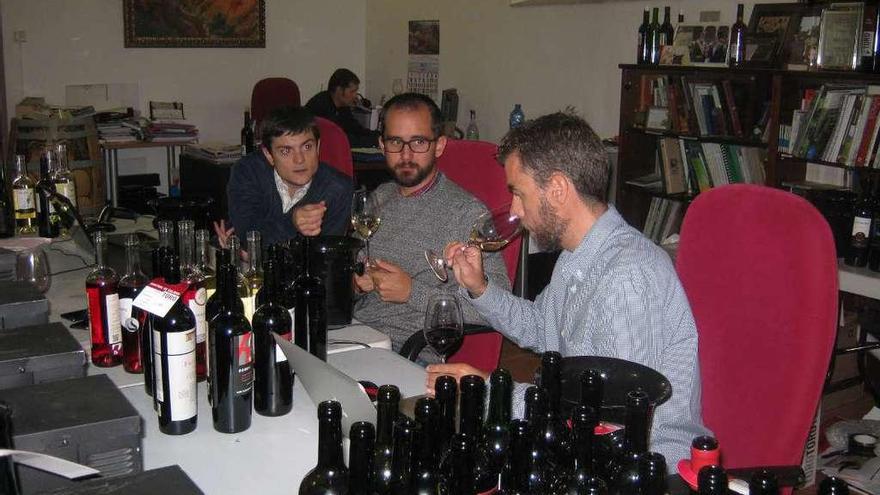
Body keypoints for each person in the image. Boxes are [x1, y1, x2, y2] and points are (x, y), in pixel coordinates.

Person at [427, 112, 709, 468]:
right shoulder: (577, 255)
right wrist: (480, 287)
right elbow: (541, 326)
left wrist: (490, 392)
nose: (514, 209)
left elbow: (608, 420)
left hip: (642, 464)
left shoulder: (628, 277)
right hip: (583, 446)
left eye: (518, 192)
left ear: (558, 190)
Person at [352, 93, 510, 362]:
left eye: (419, 142)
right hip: (353, 336)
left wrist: (413, 293)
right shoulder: (379, 198)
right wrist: (355, 284)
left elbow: (499, 309)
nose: (406, 154)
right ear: (382, 144)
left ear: (439, 146)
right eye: (395, 142)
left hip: (407, 352)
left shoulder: (467, 214)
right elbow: (353, 271)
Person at [219, 105, 352, 247]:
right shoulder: (248, 171)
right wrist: (292, 222)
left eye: (307, 147)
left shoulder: (338, 188)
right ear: (269, 155)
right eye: (286, 151)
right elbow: (248, 237)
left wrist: (255, 253)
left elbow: (326, 257)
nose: (300, 160)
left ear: (318, 147)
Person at [305, 68, 380, 148]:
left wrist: (380, 135)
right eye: (352, 91)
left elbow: (356, 129)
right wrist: (374, 141)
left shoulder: (342, 106)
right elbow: (340, 139)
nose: (355, 96)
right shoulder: (321, 106)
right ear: (339, 90)